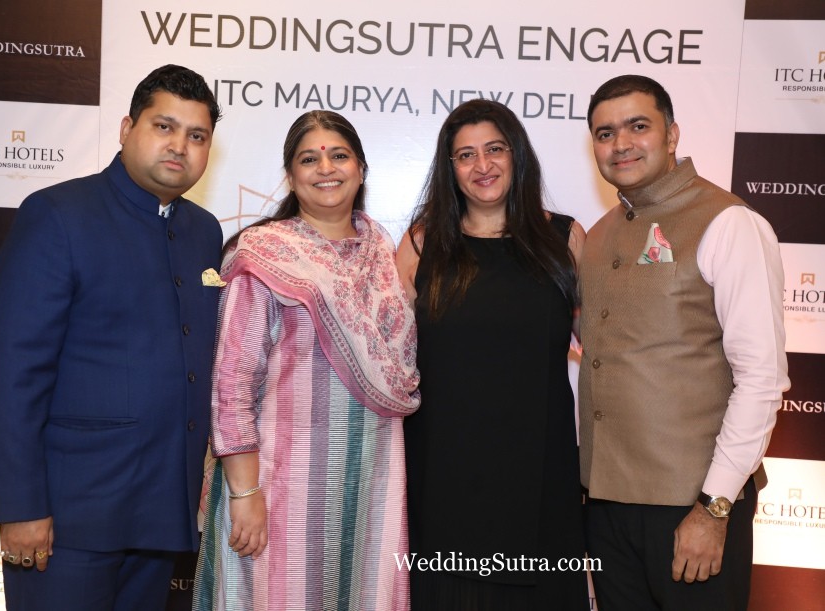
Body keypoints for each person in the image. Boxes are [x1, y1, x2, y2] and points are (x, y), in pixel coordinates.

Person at [0, 64, 224, 611]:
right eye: (164, 126)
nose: (179, 145)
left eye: (197, 135)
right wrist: (21, 506)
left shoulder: (203, 231)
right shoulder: (58, 215)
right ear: (126, 128)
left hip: (162, 517)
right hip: (68, 520)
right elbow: (11, 372)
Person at [193, 110, 420, 611]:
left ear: (361, 169)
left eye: (339, 156)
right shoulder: (264, 254)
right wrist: (245, 493)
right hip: (280, 485)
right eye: (309, 159)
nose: (326, 168)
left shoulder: (382, 251)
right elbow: (233, 383)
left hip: (372, 482)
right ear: (291, 177)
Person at [578, 74, 790, 610]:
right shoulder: (598, 235)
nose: (621, 143)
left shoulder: (729, 223)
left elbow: (762, 378)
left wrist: (714, 507)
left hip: (693, 508)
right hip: (606, 508)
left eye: (638, 126)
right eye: (605, 133)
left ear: (672, 135)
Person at [396, 99, 588, 610]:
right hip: (443, 475)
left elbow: (602, 350)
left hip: (540, 475)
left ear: (516, 154)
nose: (482, 165)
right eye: (466, 155)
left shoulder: (565, 239)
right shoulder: (420, 244)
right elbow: (389, 359)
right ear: (450, 168)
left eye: (495, 149)